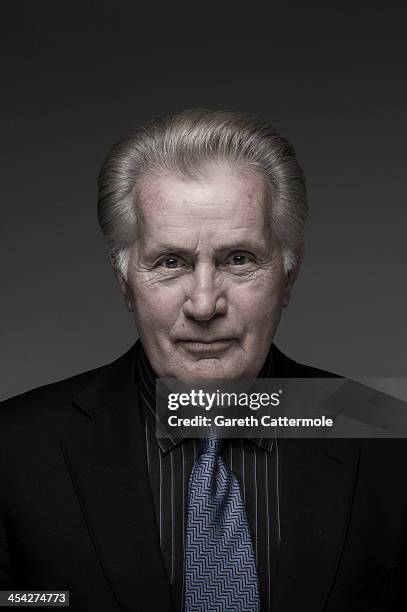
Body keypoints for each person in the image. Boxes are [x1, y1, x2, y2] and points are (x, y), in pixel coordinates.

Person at [0, 109, 405, 611]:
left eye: (239, 259)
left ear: (288, 276)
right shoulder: (13, 451)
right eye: (170, 262)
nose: (205, 304)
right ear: (125, 281)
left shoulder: (387, 428)